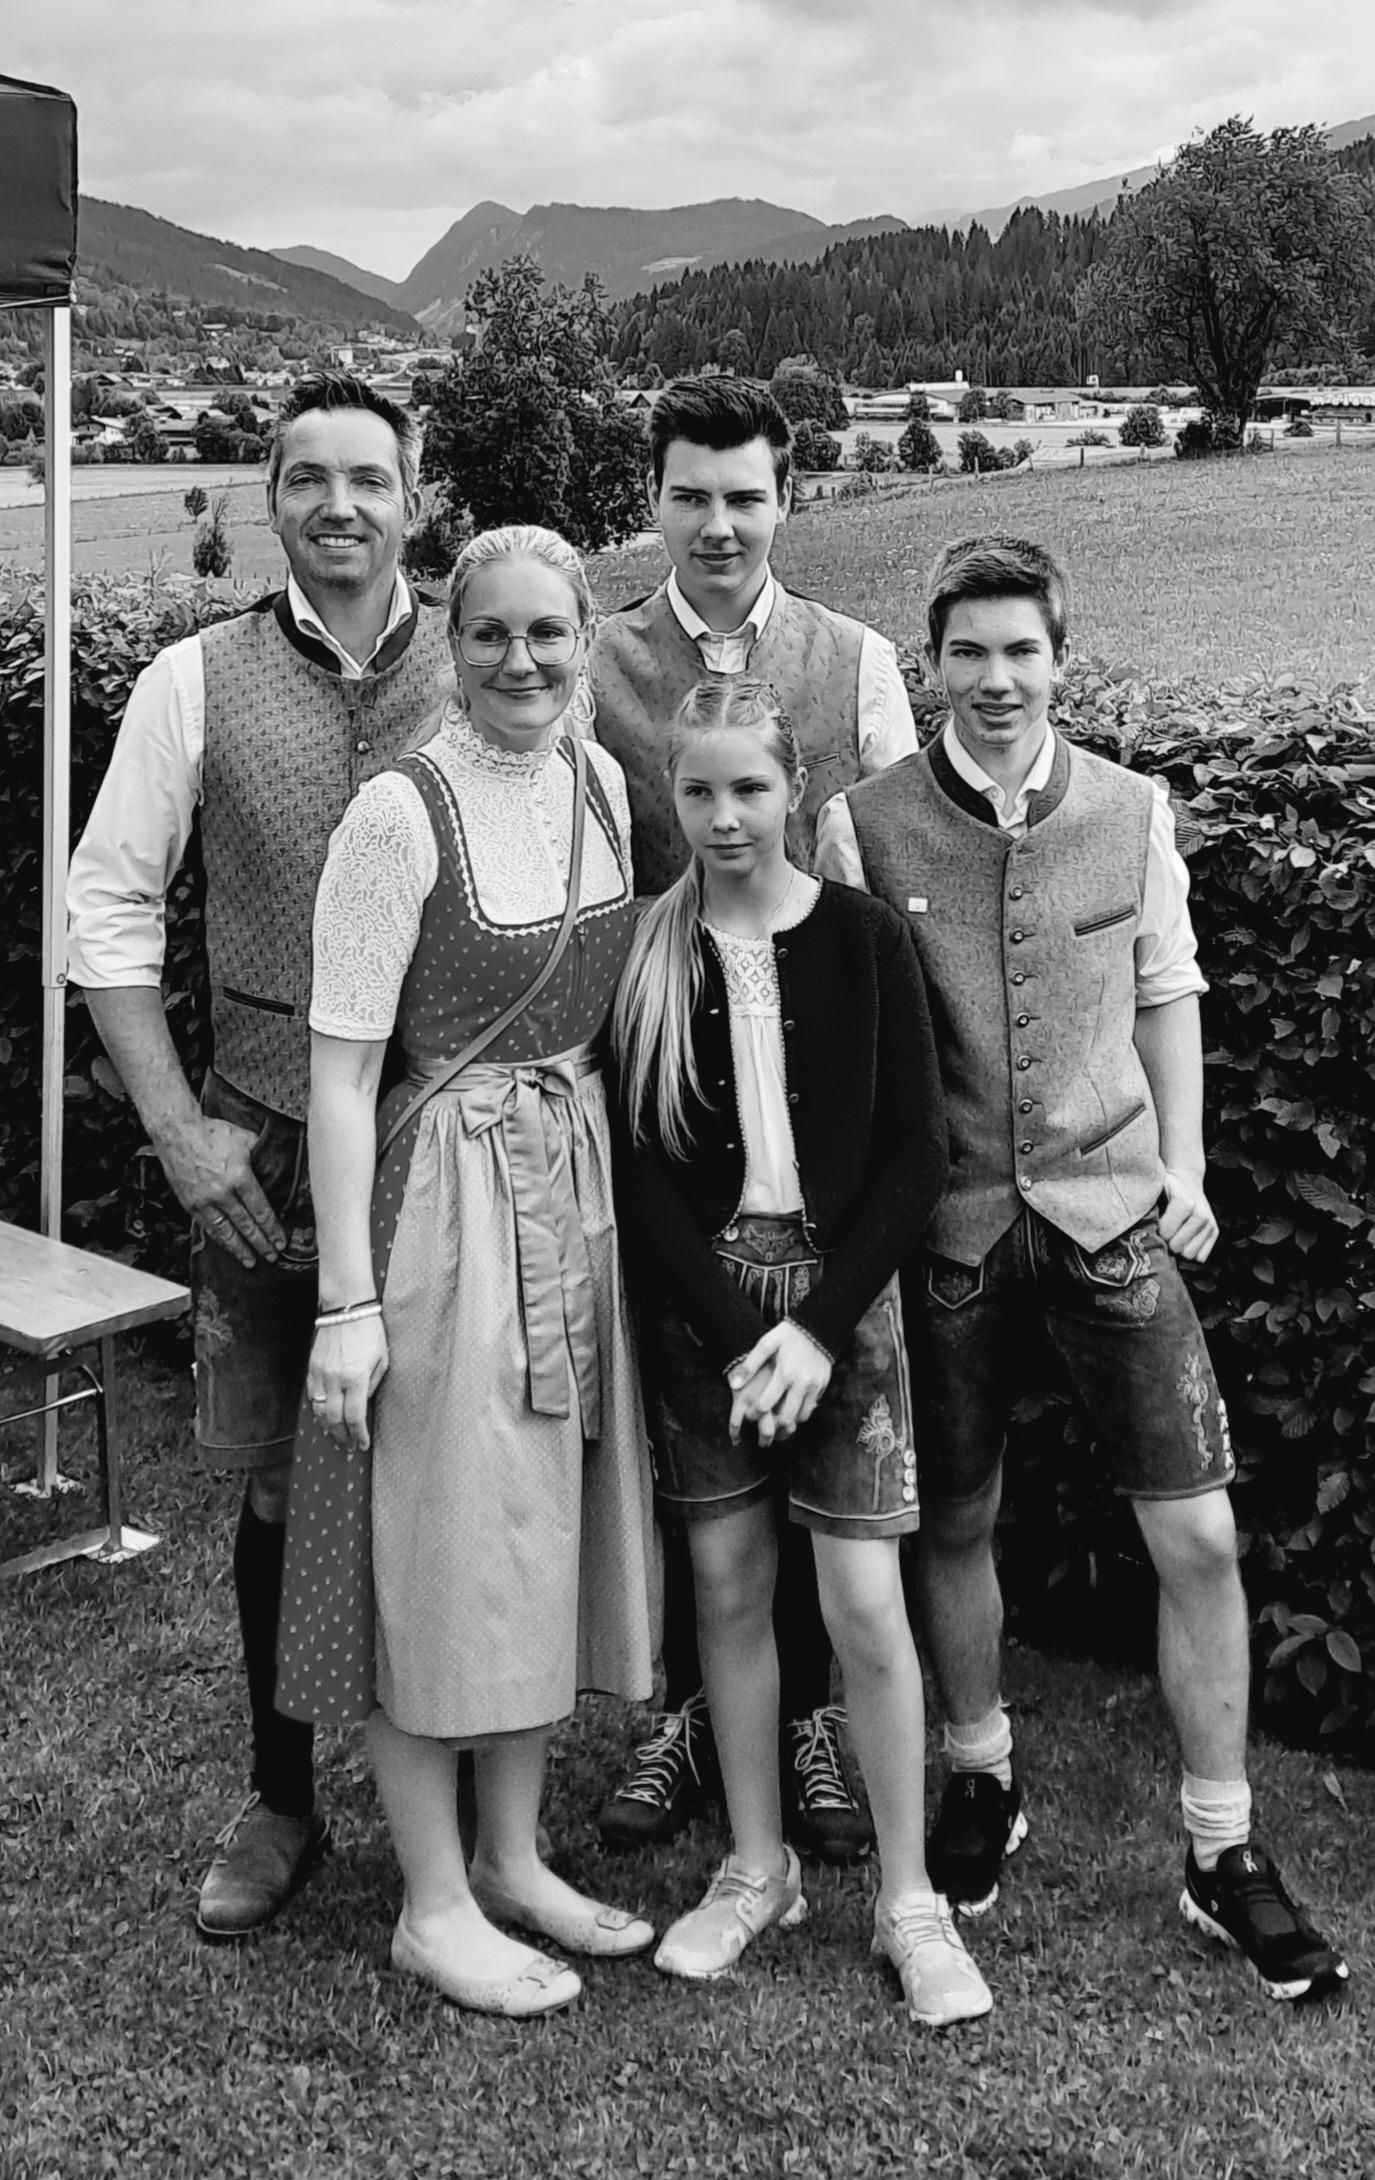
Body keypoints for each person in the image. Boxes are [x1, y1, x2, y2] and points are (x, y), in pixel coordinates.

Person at [815, 532, 1350, 2003]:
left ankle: (1222, 1849)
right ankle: (982, 1772)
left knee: (1202, 1535)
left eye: (1022, 651)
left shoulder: (1133, 808)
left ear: (1061, 658)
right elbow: (857, 1043)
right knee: (956, 1518)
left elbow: (1169, 988)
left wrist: (1186, 1166)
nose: (996, 679)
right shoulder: (862, 824)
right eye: (968, 652)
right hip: (950, 1231)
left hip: (1114, 1215)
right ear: (934, 661)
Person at [66, 373, 453, 1937]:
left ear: (417, 496)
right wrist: (175, 1128)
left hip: (449, 1138)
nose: (339, 506)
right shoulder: (193, 680)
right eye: (307, 479)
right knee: (290, 1483)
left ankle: (470, 1805)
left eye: (369, 478)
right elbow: (107, 907)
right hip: (267, 1147)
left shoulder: (495, 655)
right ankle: (283, 1794)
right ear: (272, 497)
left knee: (460, 1471)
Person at [274, 525, 657, 2018]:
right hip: (438, 1209)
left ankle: (511, 1854)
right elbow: (340, 1075)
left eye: (548, 632)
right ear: (450, 642)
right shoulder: (396, 815)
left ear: (585, 638)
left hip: (571, 1189)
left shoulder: (601, 782)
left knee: (534, 1529)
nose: (520, 661)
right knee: (433, 1546)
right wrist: (347, 1305)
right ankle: (432, 1903)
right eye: (489, 633)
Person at [610, 673, 991, 2027]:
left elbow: (917, 1151)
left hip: (844, 1309)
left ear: (796, 790)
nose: (725, 817)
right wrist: (740, 1339)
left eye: (751, 789)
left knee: (864, 1604)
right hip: (707, 1317)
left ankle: (909, 1899)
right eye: (699, 791)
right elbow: (642, 1175)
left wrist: (816, 1332)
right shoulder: (647, 953)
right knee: (725, 1587)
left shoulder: (865, 939)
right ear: (672, 796)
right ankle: (757, 1866)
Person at [589, 374, 919, 1862]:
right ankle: (691, 1715)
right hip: (666, 1084)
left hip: (822, 1120)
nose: (718, 524)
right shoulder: (594, 663)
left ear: (787, 498)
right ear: (654, 499)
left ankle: (812, 1723)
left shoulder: (854, 664)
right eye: (691, 495)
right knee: (704, 1488)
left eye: (745, 496)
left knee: (833, 1506)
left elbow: (886, 866)